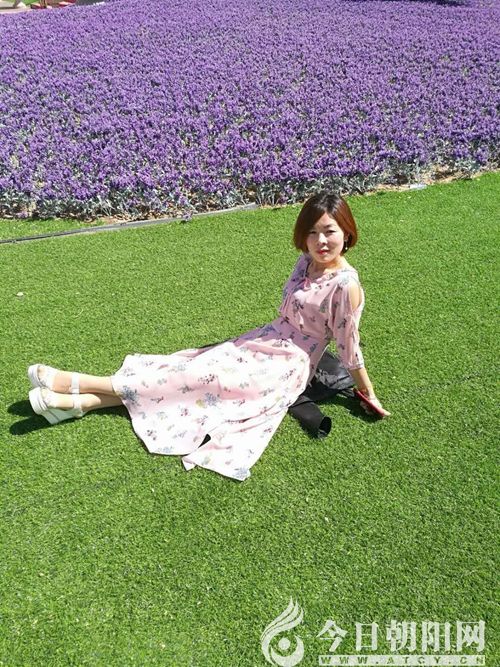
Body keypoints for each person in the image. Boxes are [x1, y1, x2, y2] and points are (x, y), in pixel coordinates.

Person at [27, 192, 390, 481]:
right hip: (264, 339)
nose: (320, 241)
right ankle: (82, 403)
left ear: (347, 233)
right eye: (312, 232)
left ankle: (78, 383)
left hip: (288, 366)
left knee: (201, 379)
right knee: (191, 368)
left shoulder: (346, 286)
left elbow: (349, 348)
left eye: (329, 231)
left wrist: (368, 393)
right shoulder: (306, 261)